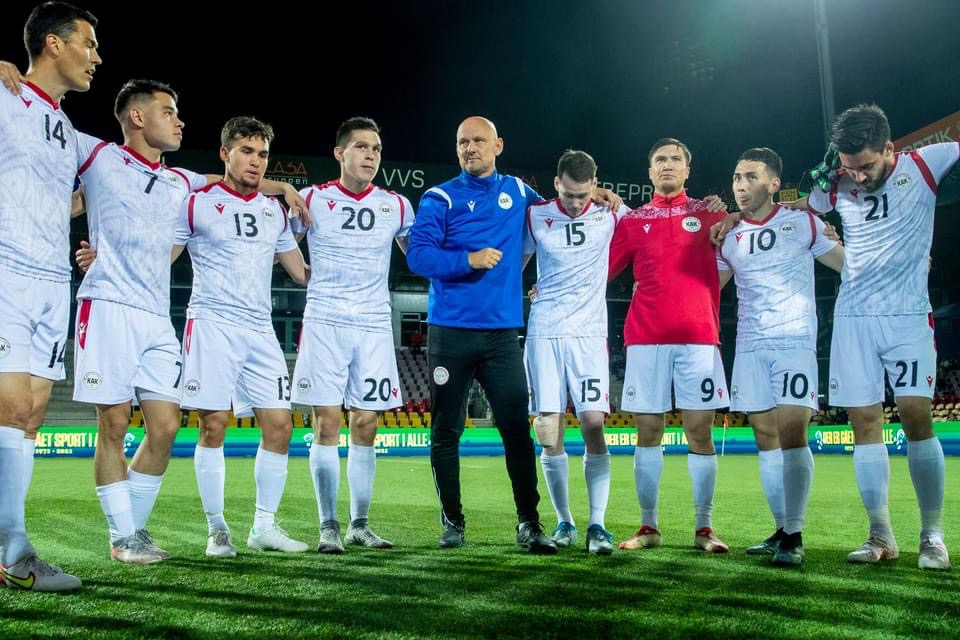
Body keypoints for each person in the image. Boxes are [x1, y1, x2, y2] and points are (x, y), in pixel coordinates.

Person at [66, 80, 308, 564]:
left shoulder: (183, 182)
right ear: (137, 116)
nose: (179, 120)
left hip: (158, 318)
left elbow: (227, 183)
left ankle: (135, 531)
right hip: (113, 305)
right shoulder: (96, 156)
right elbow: (69, 193)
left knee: (165, 425)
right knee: (114, 423)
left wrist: (283, 188)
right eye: (169, 111)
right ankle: (125, 538)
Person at [407, 116, 620, 553]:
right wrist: (469, 259)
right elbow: (419, 255)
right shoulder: (439, 197)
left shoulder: (521, 195)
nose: (470, 148)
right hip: (450, 333)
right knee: (446, 431)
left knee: (518, 432)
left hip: (502, 335)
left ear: (498, 145)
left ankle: (530, 524)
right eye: (463, 141)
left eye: (479, 141)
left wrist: (595, 192)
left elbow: (561, 209)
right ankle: (453, 522)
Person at [806, 105, 957, 569]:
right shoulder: (838, 178)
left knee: (916, 418)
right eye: (850, 167)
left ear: (891, 149)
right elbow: (809, 208)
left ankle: (932, 534)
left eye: (866, 166)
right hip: (853, 317)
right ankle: (880, 535)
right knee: (864, 425)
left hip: (908, 315)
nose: (859, 176)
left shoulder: (929, 163)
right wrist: (823, 180)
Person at [174, 117, 310, 558]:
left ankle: (263, 527)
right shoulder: (196, 202)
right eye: (246, 151)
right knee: (213, 426)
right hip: (211, 323)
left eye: (262, 154)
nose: (255, 161)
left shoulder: (275, 211)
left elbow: (300, 273)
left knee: (280, 427)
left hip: (260, 328)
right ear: (224, 154)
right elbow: (164, 255)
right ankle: (217, 530)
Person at [0, 1, 100, 592]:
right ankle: (15, 550)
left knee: (31, 416)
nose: (97, 56)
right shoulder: (6, 96)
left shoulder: (68, 131)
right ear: (54, 45)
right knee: (10, 408)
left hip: (49, 279)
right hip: (7, 270)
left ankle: (15, 544)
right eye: (88, 43)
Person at [291, 117, 413, 554]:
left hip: (374, 324)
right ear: (339, 153)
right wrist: (303, 274)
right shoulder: (310, 199)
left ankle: (360, 524)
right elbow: (275, 242)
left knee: (366, 423)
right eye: (361, 147)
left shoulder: (397, 206)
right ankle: (328, 526)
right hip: (325, 321)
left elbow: (420, 255)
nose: (370, 155)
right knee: (326, 423)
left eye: (376, 148)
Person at [717, 147, 843, 565]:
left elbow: (847, 265)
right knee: (765, 439)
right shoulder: (728, 236)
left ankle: (795, 534)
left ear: (774, 183)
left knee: (792, 433)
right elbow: (708, 288)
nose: (741, 185)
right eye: (736, 177)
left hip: (793, 340)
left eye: (751, 176)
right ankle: (780, 528)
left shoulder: (802, 222)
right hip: (750, 344)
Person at [609, 138, 731, 554]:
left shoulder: (711, 212)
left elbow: (748, 235)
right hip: (645, 338)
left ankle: (704, 527)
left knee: (700, 432)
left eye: (675, 159)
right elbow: (599, 272)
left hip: (699, 338)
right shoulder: (632, 221)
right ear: (649, 172)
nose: (667, 165)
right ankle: (649, 526)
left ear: (687, 169)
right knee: (649, 432)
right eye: (659, 159)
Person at [523, 149, 628, 555]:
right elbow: (516, 262)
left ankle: (597, 525)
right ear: (556, 184)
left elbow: (655, 232)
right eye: (569, 195)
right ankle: (564, 521)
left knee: (593, 424)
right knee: (549, 432)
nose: (576, 203)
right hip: (545, 330)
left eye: (583, 195)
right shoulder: (534, 215)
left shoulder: (612, 211)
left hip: (588, 333)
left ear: (595, 186)